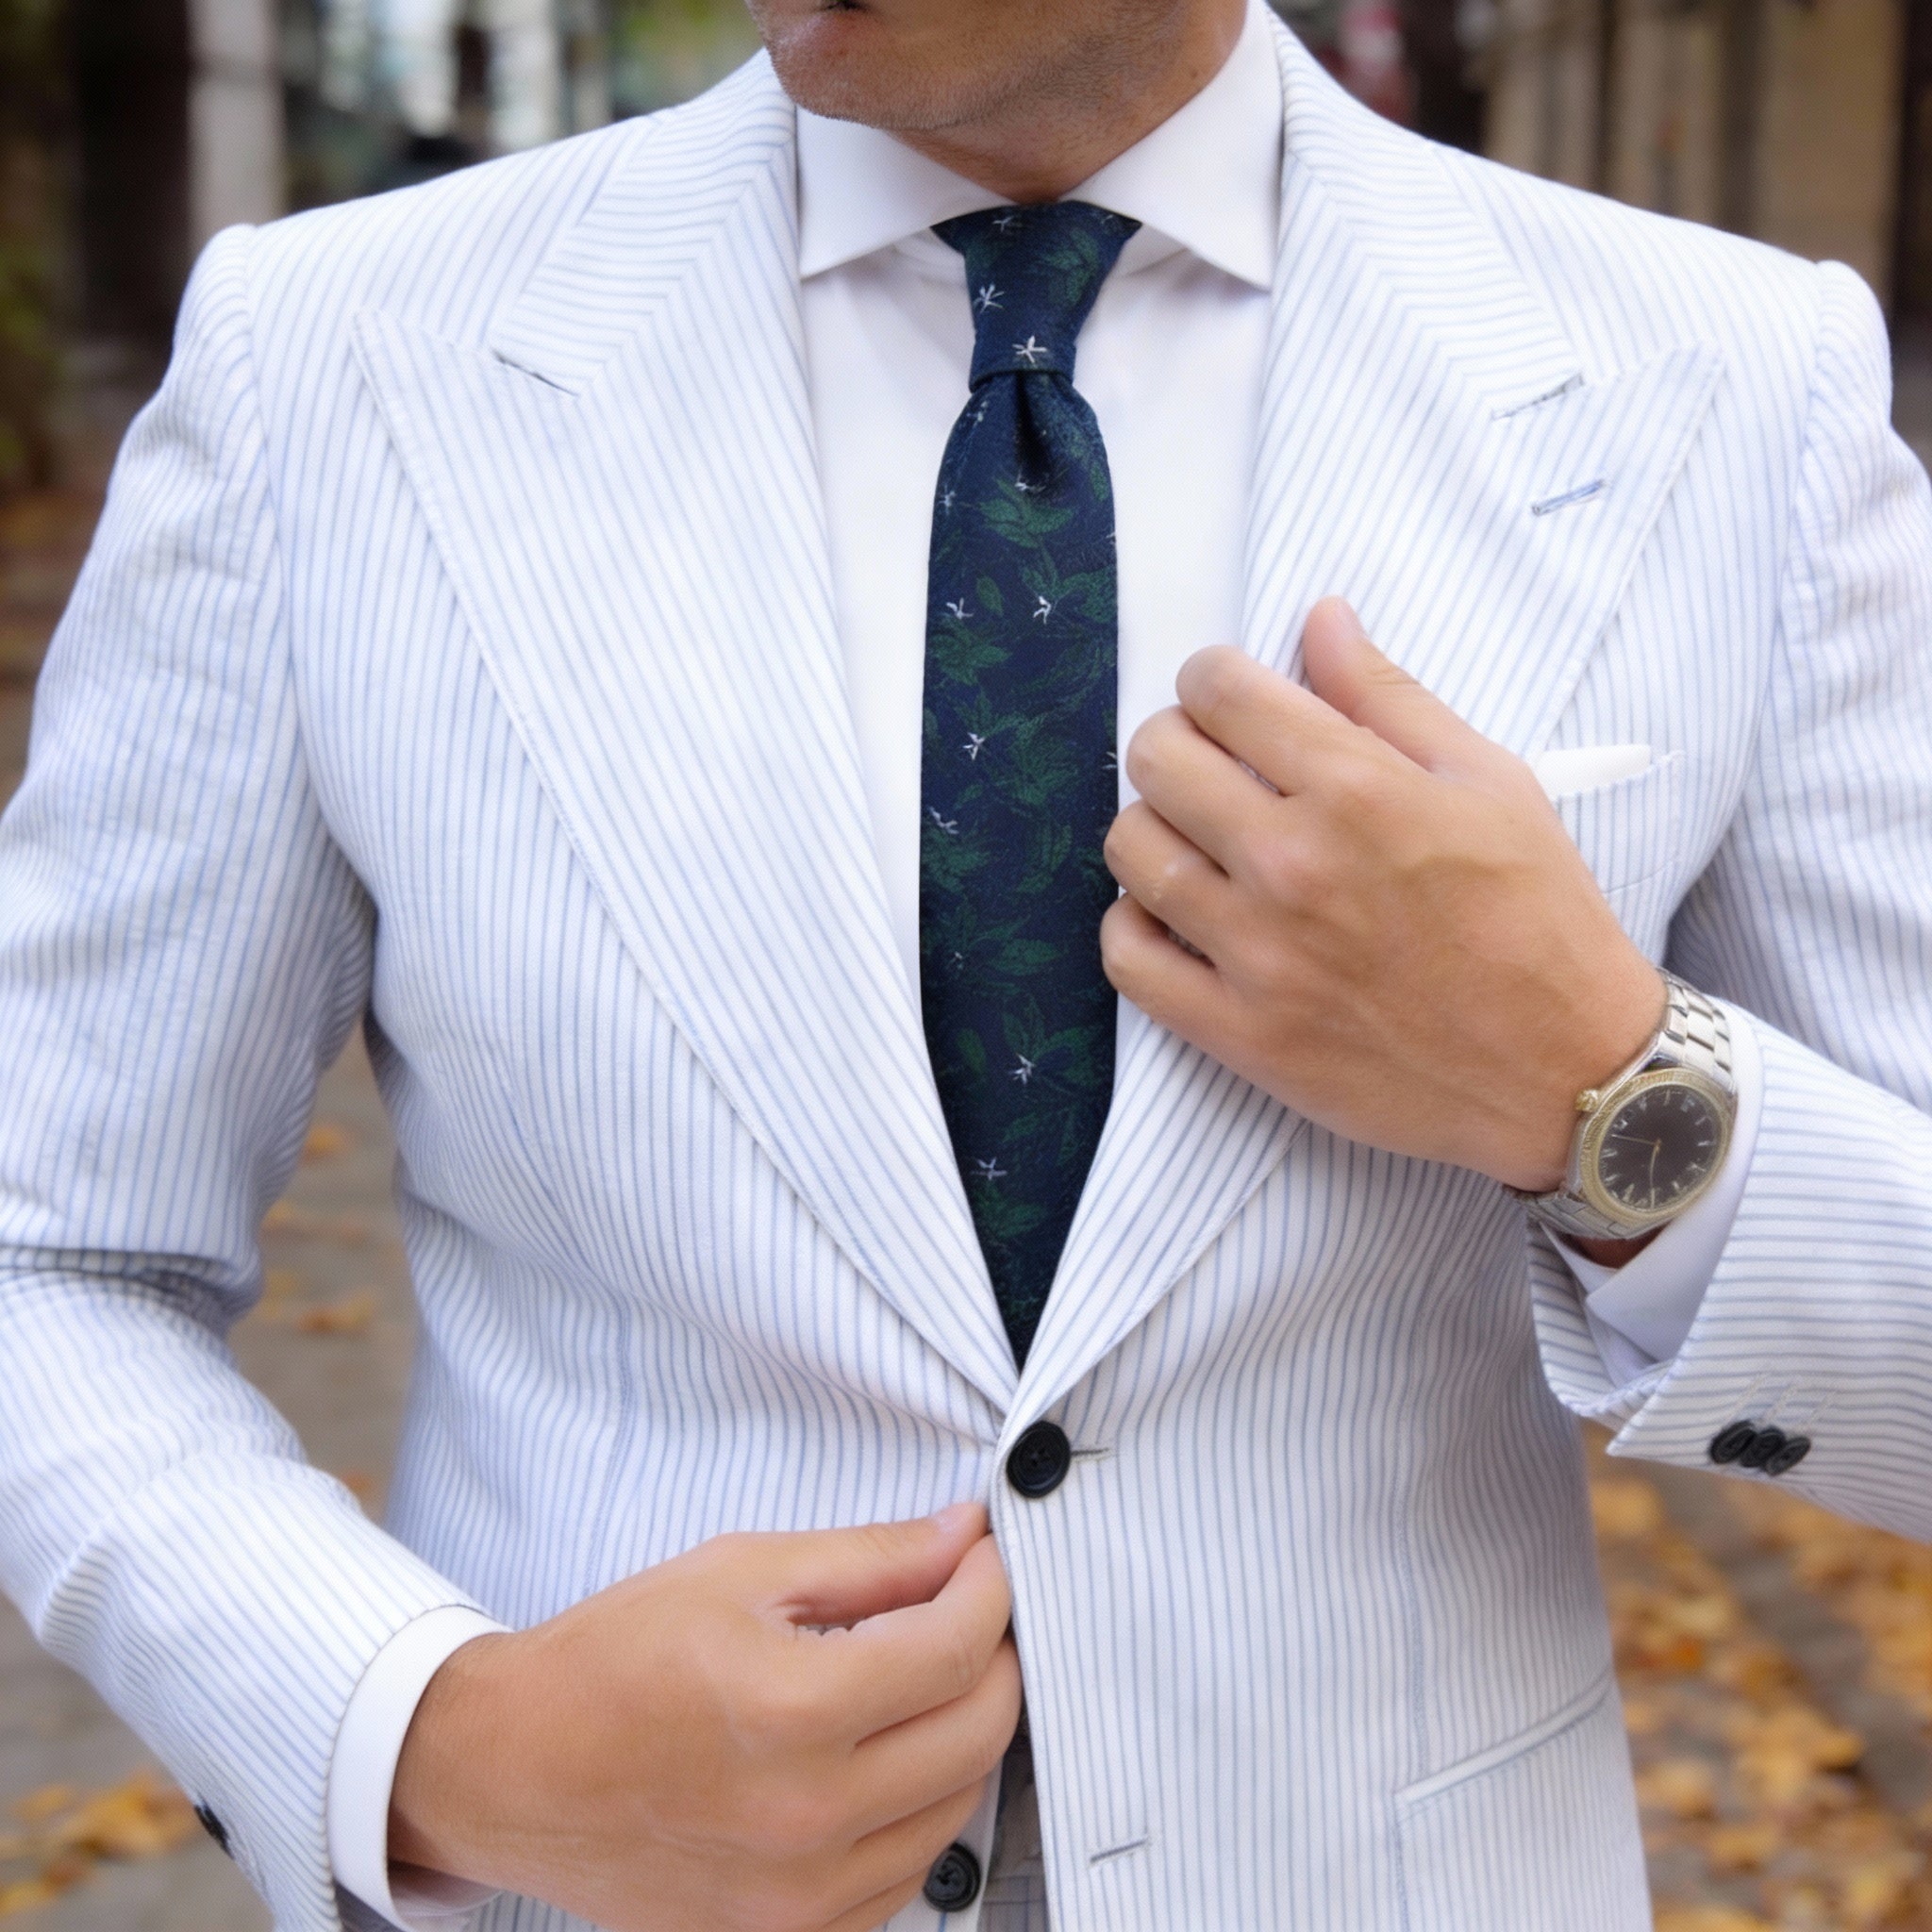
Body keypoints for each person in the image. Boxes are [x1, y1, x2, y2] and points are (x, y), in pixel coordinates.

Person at [1, 0, 1928, 1925]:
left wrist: (1601, 1085)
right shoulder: (325, 364)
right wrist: (431, 1740)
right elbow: (51, 1250)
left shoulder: (1731, 388)